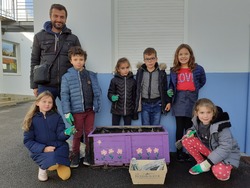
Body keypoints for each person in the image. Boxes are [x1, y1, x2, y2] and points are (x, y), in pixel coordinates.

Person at [61, 46, 102, 168]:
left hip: (90, 111)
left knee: (89, 132)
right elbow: (64, 95)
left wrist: (96, 105)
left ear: (84, 60)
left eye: (81, 59)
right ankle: (75, 156)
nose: (79, 61)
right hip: (76, 112)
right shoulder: (66, 77)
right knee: (77, 133)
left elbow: (97, 91)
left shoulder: (90, 75)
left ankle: (89, 155)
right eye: (76, 59)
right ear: (71, 61)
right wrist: (67, 112)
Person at [181, 98, 240, 181]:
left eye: (209, 112)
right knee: (186, 139)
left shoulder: (221, 126)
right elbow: (193, 128)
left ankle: (211, 164)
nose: (205, 116)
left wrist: (208, 163)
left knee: (221, 175)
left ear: (213, 112)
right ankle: (201, 162)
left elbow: (226, 147)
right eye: (202, 112)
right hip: (211, 150)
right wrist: (190, 131)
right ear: (196, 113)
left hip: (226, 154)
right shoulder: (198, 121)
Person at [30, 3, 81, 99]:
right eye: (55, 16)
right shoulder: (39, 37)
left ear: (65, 19)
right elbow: (34, 61)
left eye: (62, 17)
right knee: (45, 113)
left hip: (67, 84)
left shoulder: (73, 38)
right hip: (45, 85)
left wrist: (81, 82)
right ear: (50, 17)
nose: (59, 19)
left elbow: (80, 60)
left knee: (71, 113)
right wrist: (34, 85)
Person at [23, 91, 76, 181]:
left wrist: (66, 133)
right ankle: (43, 168)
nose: (47, 104)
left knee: (65, 176)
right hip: (41, 150)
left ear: (53, 104)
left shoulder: (57, 117)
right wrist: (43, 148)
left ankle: (59, 163)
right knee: (52, 165)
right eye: (44, 101)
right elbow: (28, 141)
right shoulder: (31, 119)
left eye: (50, 102)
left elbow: (60, 137)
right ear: (37, 103)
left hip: (59, 147)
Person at [168, 44, 206, 162]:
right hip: (179, 98)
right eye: (180, 54)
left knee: (189, 127)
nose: (183, 56)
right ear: (177, 56)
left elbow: (202, 80)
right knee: (179, 127)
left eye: (186, 54)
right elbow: (171, 85)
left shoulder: (198, 68)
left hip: (191, 99)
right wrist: (170, 92)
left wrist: (195, 88)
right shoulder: (174, 70)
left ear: (190, 55)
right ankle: (179, 153)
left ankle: (190, 152)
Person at [135, 47, 171, 125]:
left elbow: (165, 88)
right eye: (147, 59)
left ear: (156, 59)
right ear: (144, 60)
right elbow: (137, 88)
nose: (150, 61)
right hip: (144, 104)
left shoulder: (161, 72)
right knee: (145, 128)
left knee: (156, 128)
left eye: (152, 58)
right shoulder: (140, 72)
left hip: (157, 104)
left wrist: (168, 101)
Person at [107, 57, 137, 125]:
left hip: (129, 110)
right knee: (115, 129)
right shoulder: (114, 80)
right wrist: (112, 97)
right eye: (123, 68)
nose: (125, 70)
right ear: (118, 69)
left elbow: (134, 96)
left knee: (127, 130)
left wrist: (134, 109)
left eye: (127, 67)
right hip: (116, 109)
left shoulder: (133, 81)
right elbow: (110, 93)